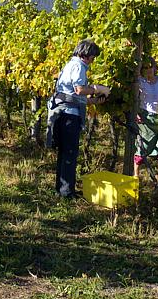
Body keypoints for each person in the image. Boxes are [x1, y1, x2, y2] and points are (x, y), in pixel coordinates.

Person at [47, 40, 111, 199]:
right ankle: (67, 193)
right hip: (69, 116)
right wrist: (98, 88)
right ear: (86, 55)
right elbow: (79, 90)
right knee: (69, 153)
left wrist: (95, 101)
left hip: (63, 112)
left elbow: (72, 96)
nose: (93, 61)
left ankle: (61, 189)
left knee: (64, 153)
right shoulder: (78, 67)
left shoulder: (70, 65)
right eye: (92, 57)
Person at [133, 57, 158, 180]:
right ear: (142, 70)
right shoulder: (140, 82)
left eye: (151, 66)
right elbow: (134, 100)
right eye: (146, 67)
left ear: (155, 68)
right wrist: (137, 114)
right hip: (146, 120)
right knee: (142, 148)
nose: (149, 69)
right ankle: (135, 177)